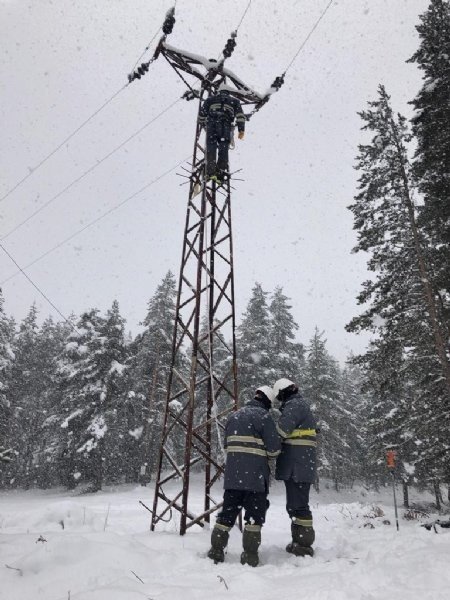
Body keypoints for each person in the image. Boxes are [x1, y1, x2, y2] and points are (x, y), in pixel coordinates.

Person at [207, 386, 281, 567]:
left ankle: (216, 551)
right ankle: (250, 556)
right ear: (268, 403)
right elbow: (274, 450)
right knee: (254, 518)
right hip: (256, 479)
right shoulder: (264, 417)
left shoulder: (234, 416)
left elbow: (227, 447)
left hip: (233, 478)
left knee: (226, 516)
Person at [273, 378, 317, 557]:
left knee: (298, 505)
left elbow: (281, 431)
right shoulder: (298, 405)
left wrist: (265, 439)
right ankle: (299, 541)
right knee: (295, 505)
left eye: (279, 397)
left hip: (297, 465)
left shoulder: (294, 406)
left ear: (283, 392)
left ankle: (304, 545)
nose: (279, 400)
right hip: (299, 464)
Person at [198, 84, 246, 185]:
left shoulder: (210, 99)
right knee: (223, 148)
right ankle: (221, 173)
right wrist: (241, 130)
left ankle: (210, 172)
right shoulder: (235, 101)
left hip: (212, 125)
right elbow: (240, 116)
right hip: (225, 126)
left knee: (211, 146)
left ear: (218, 91)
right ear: (228, 92)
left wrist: (203, 124)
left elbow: (201, 115)